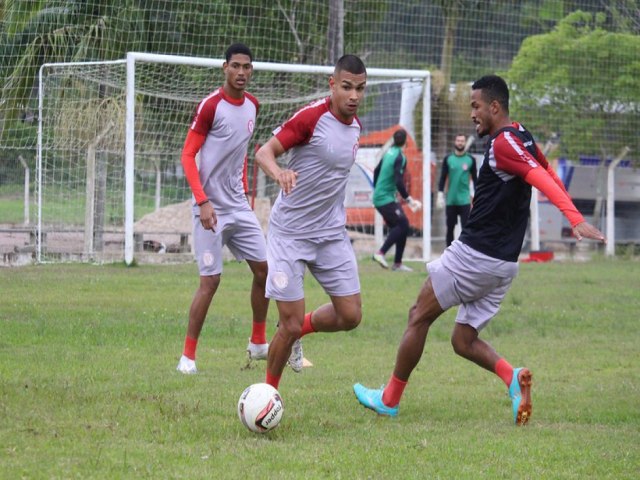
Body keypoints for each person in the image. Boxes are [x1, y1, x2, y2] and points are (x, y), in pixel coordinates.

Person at [353, 74, 606, 425]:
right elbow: (546, 169)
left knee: (418, 315)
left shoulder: (504, 143)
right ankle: (512, 377)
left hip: (475, 256)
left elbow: (542, 177)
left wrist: (574, 218)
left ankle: (389, 399)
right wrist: (572, 214)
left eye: (475, 106)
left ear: (494, 106)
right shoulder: (522, 135)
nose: (472, 114)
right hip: (503, 266)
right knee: (462, 339)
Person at [255, 54, 367, 389]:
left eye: (360, 89)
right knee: (286, 326)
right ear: (333, 85)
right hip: (289, 234)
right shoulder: (311, 118)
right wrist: (279, 173)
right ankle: (267, 395)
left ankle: (298, 328)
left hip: (330, 234)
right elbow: (264, 152)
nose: (353, 96)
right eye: (346, 87)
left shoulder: (357, 127)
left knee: (351, 316)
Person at [176, 43, 270, 374]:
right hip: (209, 207)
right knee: (211, 281)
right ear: (224, 68)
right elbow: (188, 155)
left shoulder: (253, 106)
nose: (242, 72)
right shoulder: (210, 106)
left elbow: (239, 154)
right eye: (236, 66)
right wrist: (202, 201)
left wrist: (244, 194)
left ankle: (258, 343)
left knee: (266, 269)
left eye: (247, 67)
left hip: (238, 206)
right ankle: (187, 357)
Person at [371, 128, 422, 272]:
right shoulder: (400, 157)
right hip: (384, 198)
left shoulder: (388, 152)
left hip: (382, 196)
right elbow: (399, 181)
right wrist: (409, 200)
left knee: (401, 226)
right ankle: (380, 253)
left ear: (393, 140)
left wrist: (377, 188)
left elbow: (376, 170)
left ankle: (397, 264)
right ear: (406, 141)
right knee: (403, 224)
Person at [437, 134, 477, 247]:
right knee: (450, 228)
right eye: (458, 140)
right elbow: (442, 177)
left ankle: (465, 253)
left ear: (465, 143)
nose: (460, 143)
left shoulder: (470, 160)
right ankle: (449, 254)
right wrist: (440, 195)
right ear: (455, 142)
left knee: (466, 229)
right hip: (451, 200)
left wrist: (477, 197)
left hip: (465, 200)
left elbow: (475, 180)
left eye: (462, 141)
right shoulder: (448, 159)